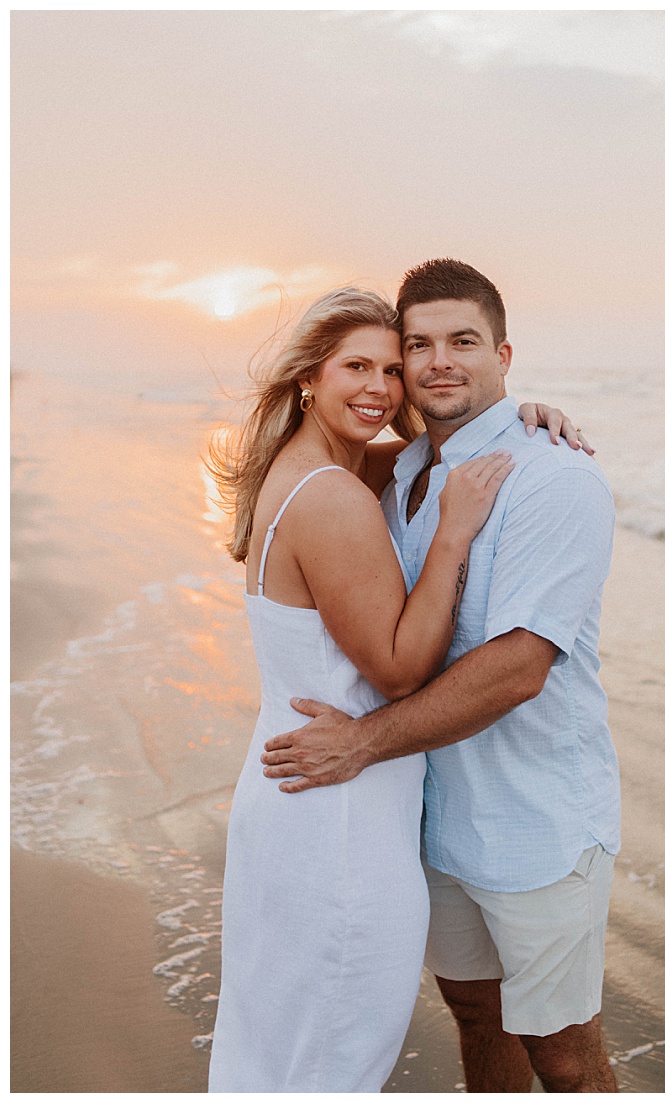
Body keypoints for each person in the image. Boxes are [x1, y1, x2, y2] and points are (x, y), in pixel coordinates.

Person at [205, 287, 585, 1092]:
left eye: (391, 365)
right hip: (336, 810)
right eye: (357, 366)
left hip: (303, 795)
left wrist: (517, 416)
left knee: (284, 1045)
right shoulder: (334, 495)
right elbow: (401, 669)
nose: (381, 387)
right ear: (311, 374)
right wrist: (451, 530)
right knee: (333, 1054)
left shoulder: (328, 467)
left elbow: (433, 451)